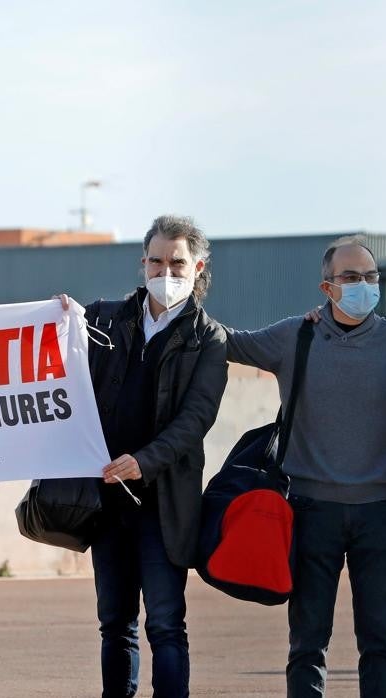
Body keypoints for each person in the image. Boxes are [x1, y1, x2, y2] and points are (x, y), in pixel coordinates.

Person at [228, 236, 386, 697]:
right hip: (313, 511)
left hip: (379, 512)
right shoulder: (296, 335)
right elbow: (225, 342)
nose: (364, 286)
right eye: (351, 277)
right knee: (308, 642)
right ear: (326, 287)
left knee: (379, 641)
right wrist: (175, 300)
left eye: (371, 277)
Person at [80, 214, 228, 698]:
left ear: (198, 266)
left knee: (165, 625)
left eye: (178, 262)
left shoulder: (208, 338)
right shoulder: (103, 318)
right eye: (158, 261)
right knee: (114, 625)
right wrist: (57, 316)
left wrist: (144, 461)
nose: (167, 271)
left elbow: (195, 420)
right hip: (107, 503)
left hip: (165, 506)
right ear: (143, 263)